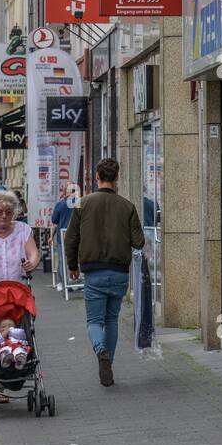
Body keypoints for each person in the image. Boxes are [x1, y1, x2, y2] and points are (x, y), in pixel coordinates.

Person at [65, 158, 145, 387]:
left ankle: (101, 351)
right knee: (112, 320)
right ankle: (108, 360)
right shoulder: (127, 206)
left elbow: (71, 238)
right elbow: (139, 242)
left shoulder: (82, 203)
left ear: (97, 177)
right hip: (119, 273)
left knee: (94, 320)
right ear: (117, 177)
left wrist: (72, 265)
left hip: (94, 272)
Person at [50, 184, 81, 284]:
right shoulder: (81, 203)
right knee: (78, 258)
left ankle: (64, 283)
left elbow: (54, 220)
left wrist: (51, 236)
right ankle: (77, 281)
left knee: (62, 260)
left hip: (62, 237)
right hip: (78, 236)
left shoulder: (60, 204)